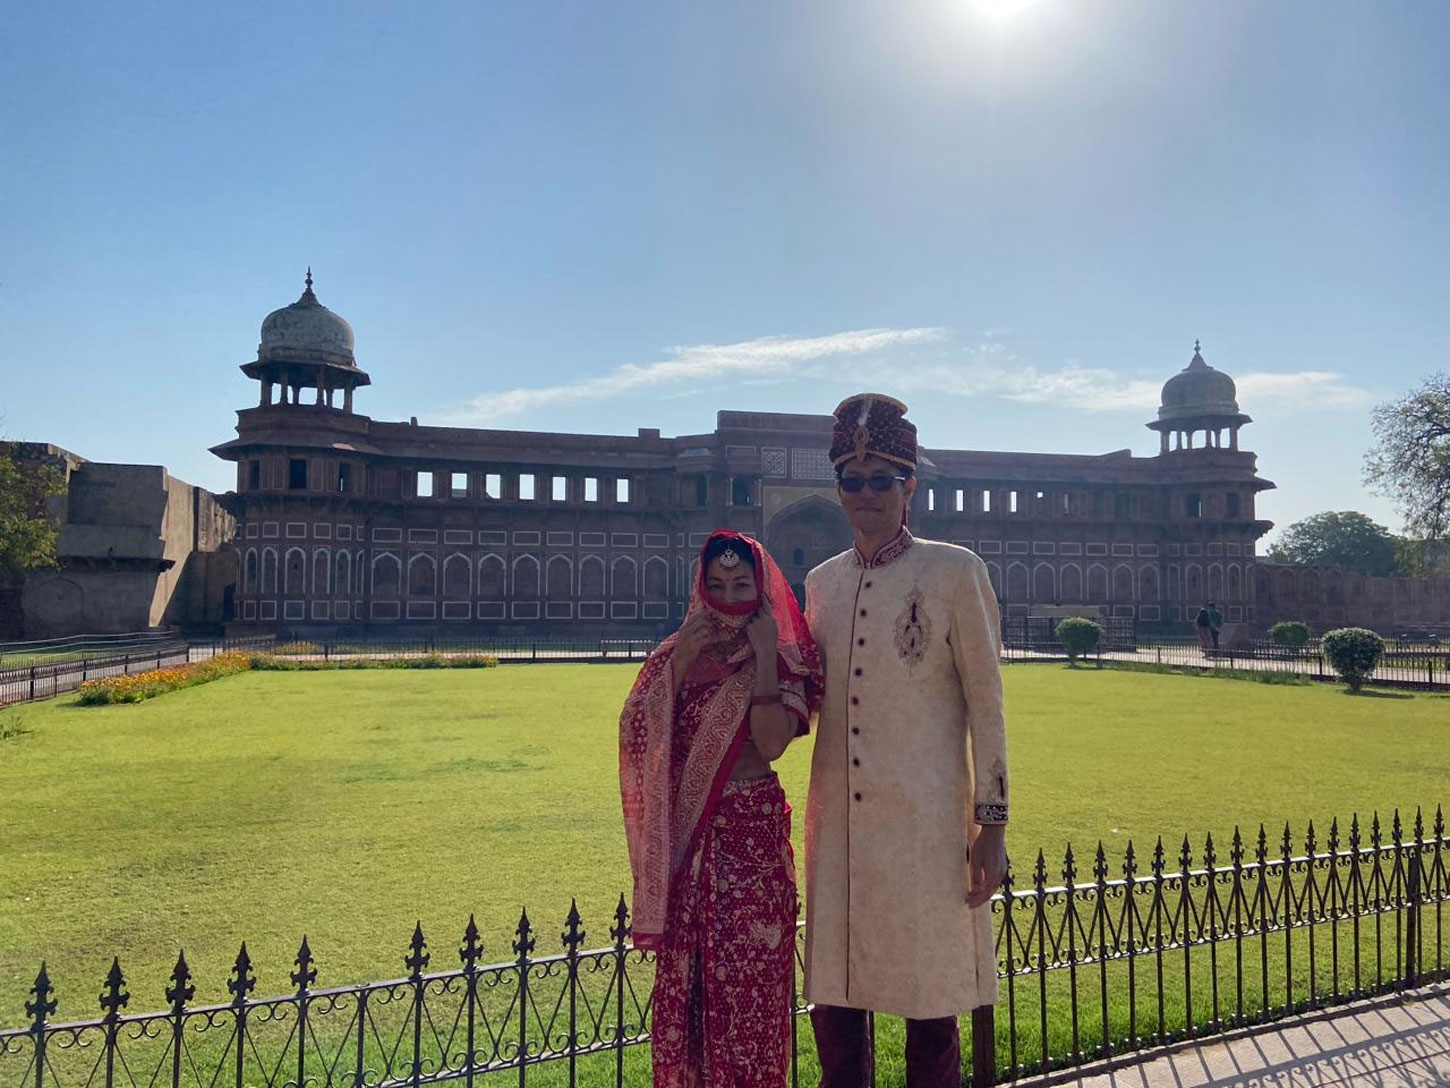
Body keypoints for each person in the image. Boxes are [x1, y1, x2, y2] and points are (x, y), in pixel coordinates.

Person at [803, 393, 1010, 1088]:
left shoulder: (953, 572)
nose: (866, 494)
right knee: (835, 1001)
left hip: (924, 828)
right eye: (852, 480)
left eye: (881, 480)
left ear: (908, 486)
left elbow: (988, 706)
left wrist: (992, 826)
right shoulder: (822, 584)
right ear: (838, 489)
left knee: (931, 1002)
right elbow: (803, 694)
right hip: (839, 828)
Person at [620, 530, 823, 1088]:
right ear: (701, 588)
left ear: (761, 588)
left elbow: (772, 742)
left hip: (752, 841)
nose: (728, 596)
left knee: (751, 989)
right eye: (717, 584)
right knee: (691, 993)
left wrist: (764, 658)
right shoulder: (675, 654)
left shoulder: (783, 658)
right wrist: (682, 661)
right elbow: (636, 732)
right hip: (692, 842)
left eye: (740, 584)